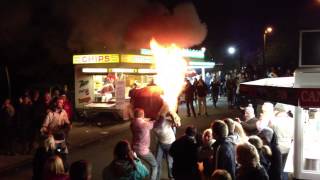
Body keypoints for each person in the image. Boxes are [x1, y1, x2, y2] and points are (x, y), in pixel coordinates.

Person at [130, 108, 157, 180]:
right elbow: (154, 123)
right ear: (142, 115)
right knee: (154, 165)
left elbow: (142, 121)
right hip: (143, 150)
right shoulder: (145, 124)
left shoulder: (133, 123)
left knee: (138, 166)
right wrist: (157, 118)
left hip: (134, 149)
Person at [153, 115, 175, 180]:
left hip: (170, 143)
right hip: (160, 143)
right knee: (157, 161)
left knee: (169, 162)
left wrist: (172, 115)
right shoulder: (152, 123)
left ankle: (171, 177)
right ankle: (157, 177)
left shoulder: (166, 120)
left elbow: (177, 123)